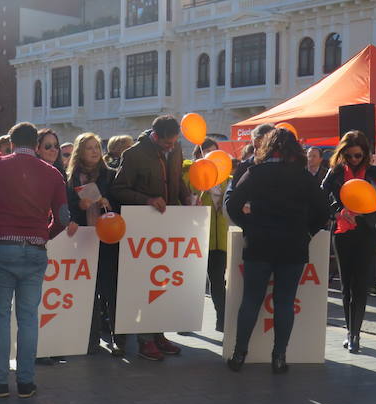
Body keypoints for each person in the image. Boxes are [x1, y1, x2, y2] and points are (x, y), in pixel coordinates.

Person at [0, 122, 69, 398]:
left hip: (2, 247)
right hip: (35, 250)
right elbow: (63, 217)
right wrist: (45, 234)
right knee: (28, 318)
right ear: (36, 145)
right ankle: (26, 381)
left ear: (10, 142)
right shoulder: (52, 173)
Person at [225, 127, 330, 373]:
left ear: (267, 147)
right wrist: (308, 232)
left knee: (251, 300)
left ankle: (239, 354)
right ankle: (279, 357)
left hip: (259, 242)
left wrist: (248, 225)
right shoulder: (304, 177)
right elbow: (324, 210)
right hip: (293, 245)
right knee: (284, 302)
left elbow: (232, 204)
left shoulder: (255, 172)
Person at [110, 114, 192, 361]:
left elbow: (177, 179)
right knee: (146, 284)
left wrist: (187, 197)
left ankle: (158, 334)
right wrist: (146, 201)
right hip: (143, 230)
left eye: (174, 143)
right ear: (155, 137)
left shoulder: (176, 149)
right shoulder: (133, 155)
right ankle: (145, 340)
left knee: (163, 282)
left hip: (170, 226)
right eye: (167, 143)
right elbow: (118, 189)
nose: (171, 147)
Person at [321, 131, 376, 353]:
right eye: (349, 156)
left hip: (366, 232)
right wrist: (339, 211)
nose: (354, 160)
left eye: (358, 155)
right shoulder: (336, 172)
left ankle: (356, 333)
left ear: (366, 154)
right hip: (343, 232)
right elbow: (321, 197)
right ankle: (350, 332)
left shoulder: (375, 173)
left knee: (360, 285)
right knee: (346, 285)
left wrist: (366, 213)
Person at [64, 132, 121, 354]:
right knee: (88, 291)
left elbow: (121, 202)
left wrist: (109, 203)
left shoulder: (110, 175)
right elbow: (65, 208)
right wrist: (80, 207)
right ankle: (91, 339)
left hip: (108, 240)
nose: (95, 151)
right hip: (83, 240)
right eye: (89, 147)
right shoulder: (70, 178)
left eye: (97, 147)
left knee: (111, 290)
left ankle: (118, 338)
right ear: (80, 152)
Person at [193, 138, 229, 332]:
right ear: (199, 154)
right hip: (196, 239)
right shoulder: (191, 178)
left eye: (214, 153)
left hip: (220, 241)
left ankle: (221, 319)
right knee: (193, 282)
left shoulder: (228, 180)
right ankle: (186, 319)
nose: (211, 157)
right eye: (206, 152)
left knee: (217, 281)